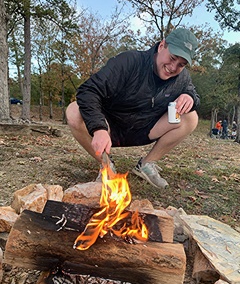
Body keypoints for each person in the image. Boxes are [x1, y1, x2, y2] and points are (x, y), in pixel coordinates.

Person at [66, 28, 200, 189]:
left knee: (191, 117)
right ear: (162, 46)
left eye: (181, 64)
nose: (173, 67)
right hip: (109, 128)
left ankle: (146, 165)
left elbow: (193, 92)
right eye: (172, 58)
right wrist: (98, 128)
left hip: (144, 129)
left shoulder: (181, 78)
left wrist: (190, 97)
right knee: (74, 110)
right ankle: (107, 166)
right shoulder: (129, 61)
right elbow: (88, 91)